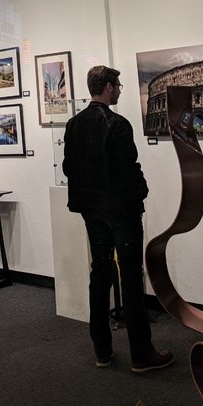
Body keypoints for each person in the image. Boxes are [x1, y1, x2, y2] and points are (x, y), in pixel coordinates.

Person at [63, 65, 173, 373]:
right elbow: (129, 168)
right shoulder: (118, 123)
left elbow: (69, 168)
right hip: (121, 211)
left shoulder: (74, 124)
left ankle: (102, 350)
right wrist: (141, 192)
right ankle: (141, 354)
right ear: (109, 87)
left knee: (99, 274)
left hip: (92, 210)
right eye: (118, 85)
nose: (120, 90)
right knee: (131, 277)